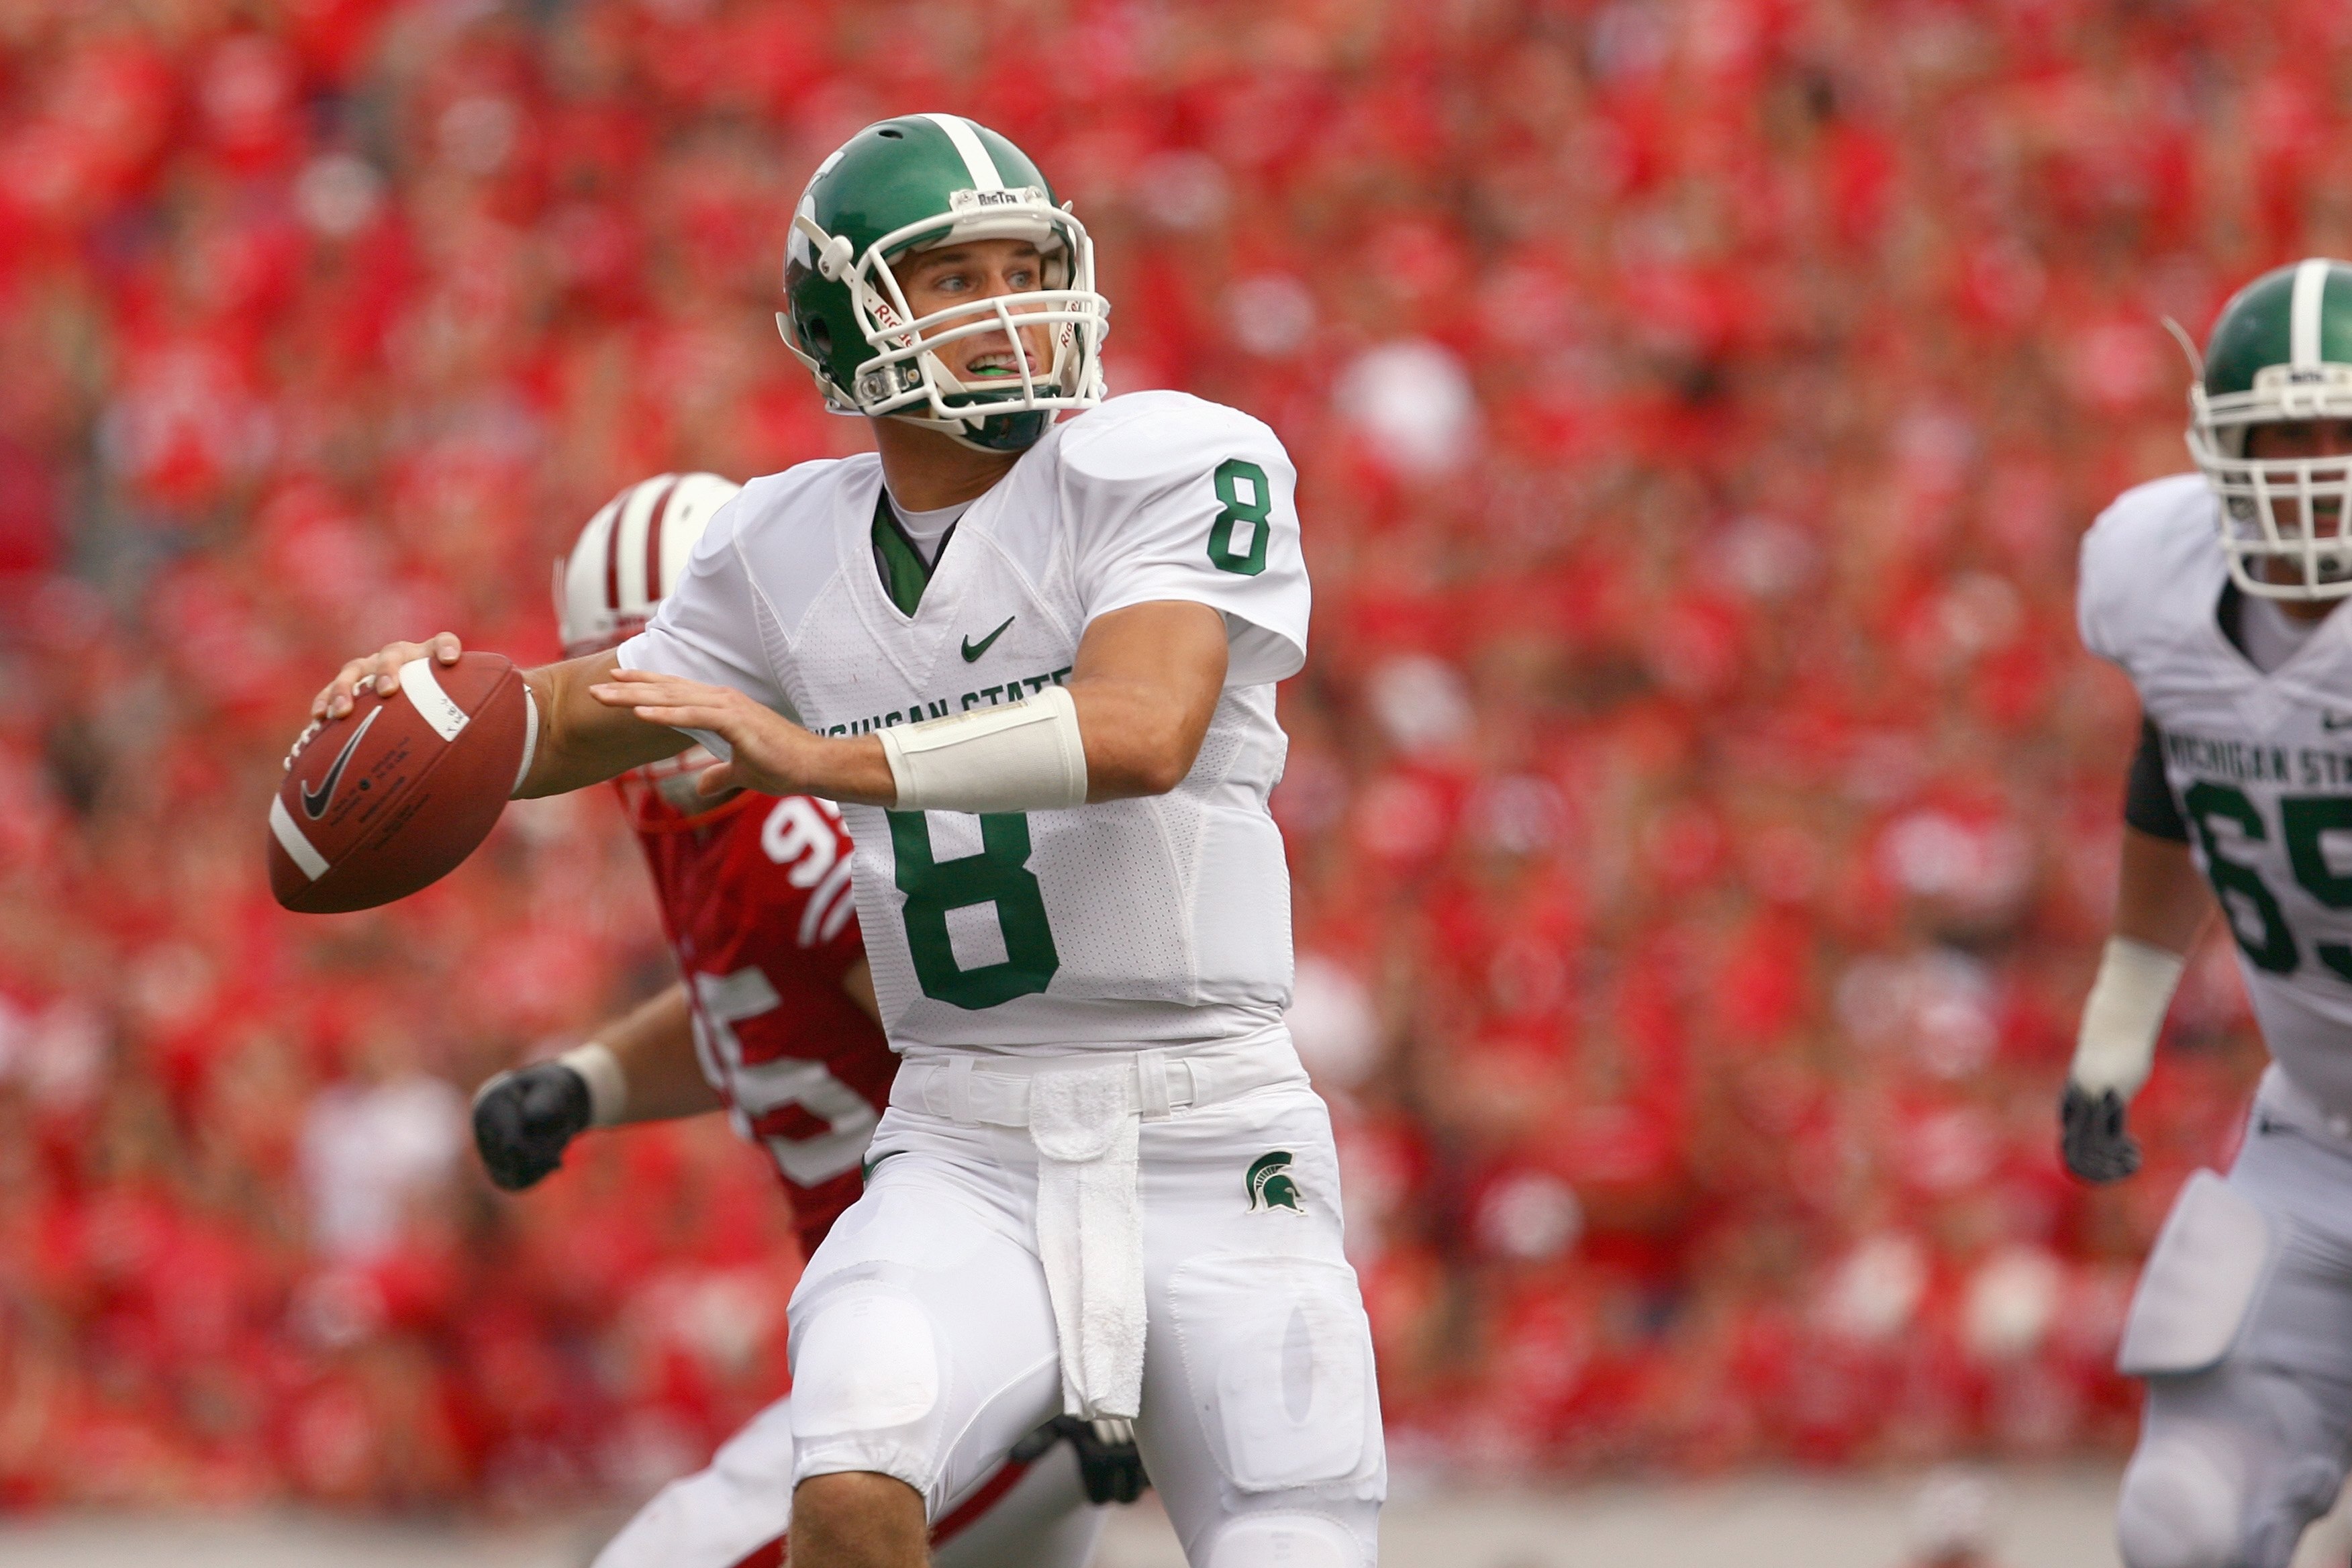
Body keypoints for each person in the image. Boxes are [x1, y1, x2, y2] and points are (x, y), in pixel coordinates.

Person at [314, 115, 1382, 1568]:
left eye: (1026, 263)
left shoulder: (1169, 458)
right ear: (844, 320)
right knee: (853, 1485)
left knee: (1289, 1539)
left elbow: (1142, 729)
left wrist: (821, 758)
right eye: (954, 278)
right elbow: (590, 713)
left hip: (1211, 1122)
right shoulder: (781, 544)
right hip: (965, 1130)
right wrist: (433, 710)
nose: (1009, 306)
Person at [471, 473, 1138, 1568]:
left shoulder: (798, 826)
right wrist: (590, 1081)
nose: (668, 707)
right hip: (944, 1345)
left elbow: (1018, 1064)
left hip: (976, 1352)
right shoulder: (707, 818)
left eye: (690, 659)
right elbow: (770, 998)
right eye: (634, 670)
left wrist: (1108, 1343)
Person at [2067, 257, 2352, 1568]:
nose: (2314, 469)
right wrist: (2120, 1026)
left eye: (2342, 432)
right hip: (2324, 1136)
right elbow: (2175, 774)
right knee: (2182, 1512)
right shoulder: (2160, 575)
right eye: (2282, 434)